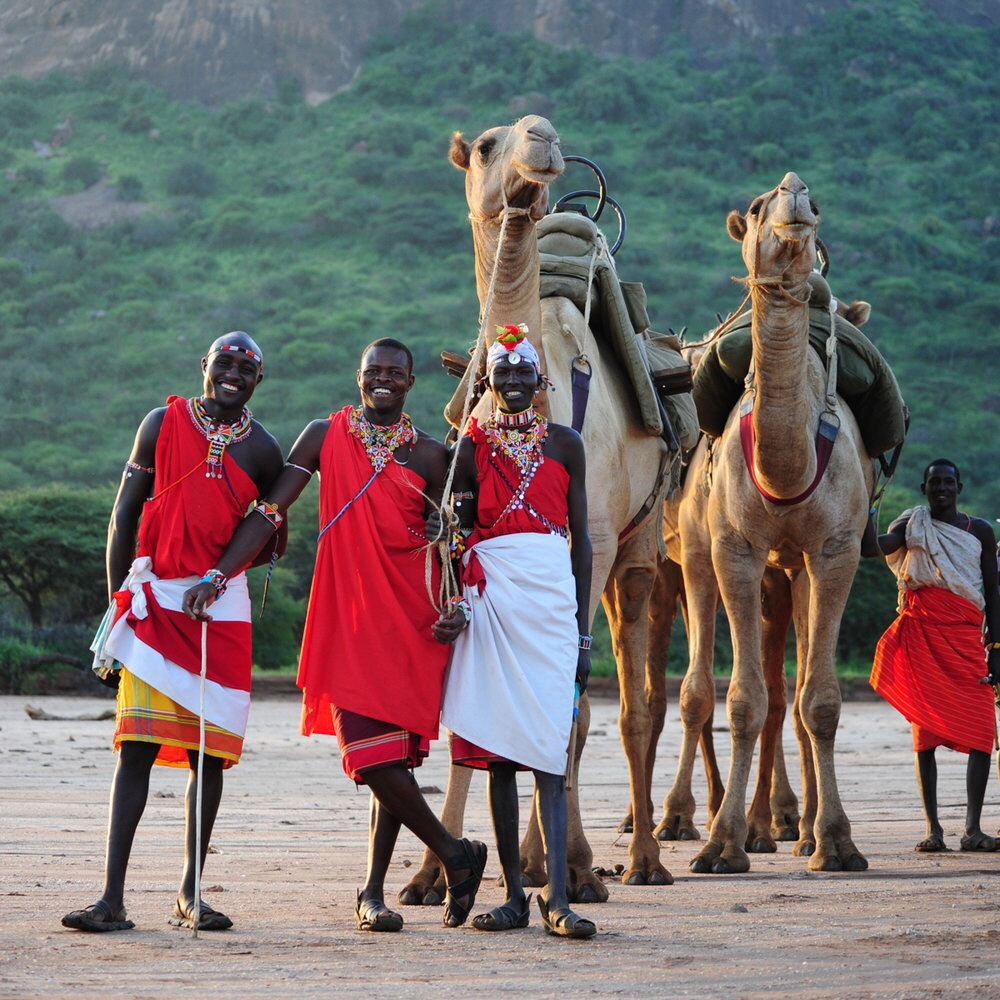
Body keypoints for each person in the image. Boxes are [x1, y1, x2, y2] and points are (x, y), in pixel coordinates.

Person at [182, 337, 487, 932]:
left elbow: (455, 541)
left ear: (410, 383)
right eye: (374, 371)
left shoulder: (433, 455)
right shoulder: (324, 435)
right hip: (347, 614)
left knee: (389, 755)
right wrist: (220, 574)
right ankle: (455, 852)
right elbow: (270, 510)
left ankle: (373, 893)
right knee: (367, 754)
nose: (383, 380)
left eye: (395, 373)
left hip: (412, 618)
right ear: (358, 376)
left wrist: (456, 604)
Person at [62, 331, 284, 933]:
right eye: (224, 362)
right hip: (156, 599)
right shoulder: (160, 423)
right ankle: (111, 899)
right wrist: (119, 605)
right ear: (204, 365)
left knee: (207, 757)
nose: (233, 373)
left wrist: (216, 575)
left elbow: (268, 535)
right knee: (135, 748)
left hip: (219, 610)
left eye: (245, 368)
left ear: (258, 381)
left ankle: (191, 894)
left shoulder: (265, 449)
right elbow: (123, 515)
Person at [433, 323, 596, 939]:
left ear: (541, 378)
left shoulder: (566, 443)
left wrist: (583, 633)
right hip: (493, 601)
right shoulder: (469, 447)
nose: (514, 381)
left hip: (551, 603)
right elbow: (456, 532)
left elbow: (582, 543)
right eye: (503, 373)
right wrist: (457, 590)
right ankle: (513, 898)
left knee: (551, 752)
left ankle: (558, 899)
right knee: (499, 755)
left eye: (524, 371)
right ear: (486, 382)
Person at [869, 458, 1000, 853]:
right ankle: (933, 829)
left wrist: (996, 649)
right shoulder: (912, 526)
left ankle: (973, 830)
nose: (941, 488)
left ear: (959, 487)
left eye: (948, 482)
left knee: (983, 732)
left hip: (967, 641)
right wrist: (867, 506)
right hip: (924, 639)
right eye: (934, 482)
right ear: (923, 488)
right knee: (925, 735)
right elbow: (870, 548)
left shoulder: (980, 530)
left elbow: (993, 593)